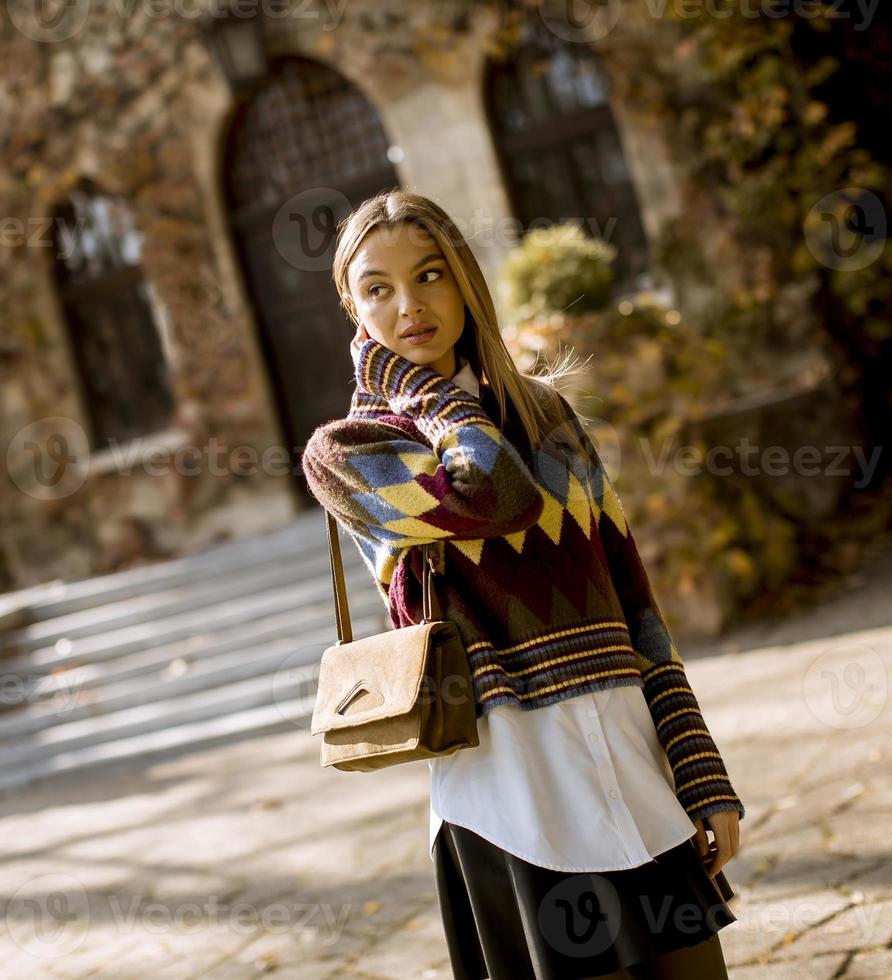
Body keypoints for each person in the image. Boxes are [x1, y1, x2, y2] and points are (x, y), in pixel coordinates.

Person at [301, 190, 745, 980]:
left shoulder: (548, 419)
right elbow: (495, 495)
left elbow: (637, 606)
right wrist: (428, 395)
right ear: (351, 308)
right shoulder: (351, 451)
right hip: (515, 808)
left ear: (465, 280)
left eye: (431, 274)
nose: (410, 305)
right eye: (378, 288)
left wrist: (698, 766)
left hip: (637, 778)